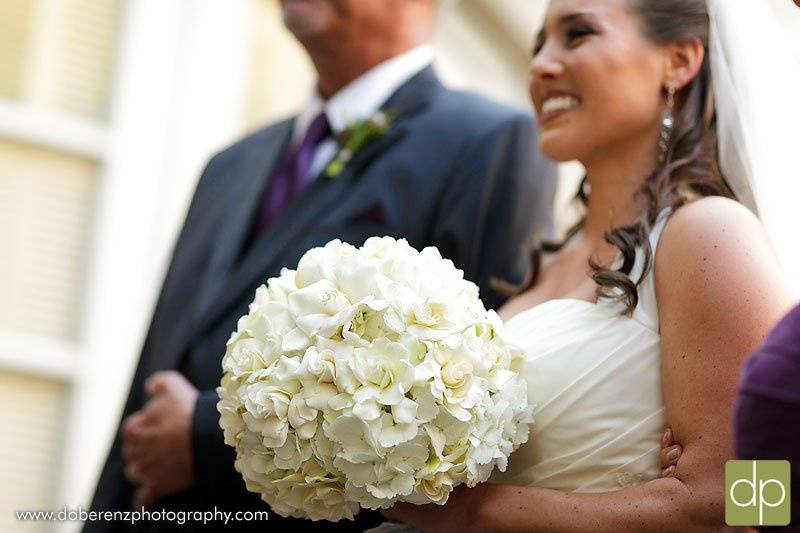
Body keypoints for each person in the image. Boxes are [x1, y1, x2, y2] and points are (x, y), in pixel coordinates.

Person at [85, 1, 558, 531]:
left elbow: (474, 409)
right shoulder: (230, 165)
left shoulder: (490, 143)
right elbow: (154, 371)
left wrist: (205, 435)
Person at [383, 0, 794, 530]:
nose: (541, 65)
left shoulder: (708, 233)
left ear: (679, 61)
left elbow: (765, 498)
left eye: (577, 35)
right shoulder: (546, 260)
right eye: (538, 46)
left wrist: (475, 512)